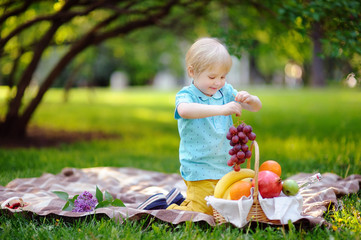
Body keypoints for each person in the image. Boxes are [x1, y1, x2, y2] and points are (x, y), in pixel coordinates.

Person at [137, 37, 262, 215]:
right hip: (199, 167)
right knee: (202, 212)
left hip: (225, 167)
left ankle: (180, 199)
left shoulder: (225, 92)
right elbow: (185, 110)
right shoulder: (187, 95)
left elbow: (256, 107)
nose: (218, 82)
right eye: (212, 77)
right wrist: (221, 109)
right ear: (192, 72)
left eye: (223, 76)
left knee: (225, 207)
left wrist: (250, 99)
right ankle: (165, 207)